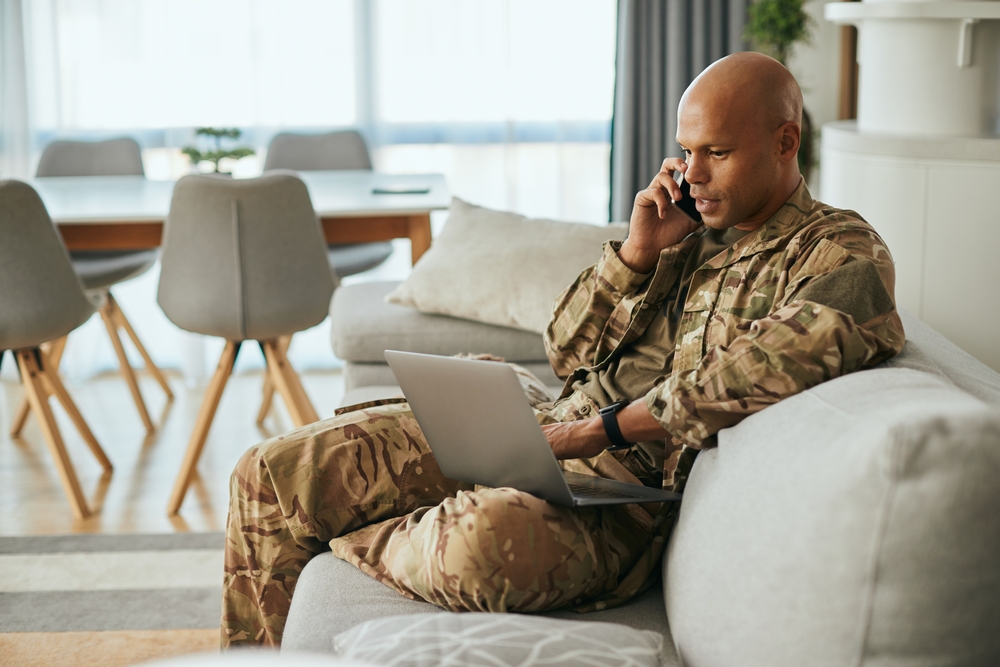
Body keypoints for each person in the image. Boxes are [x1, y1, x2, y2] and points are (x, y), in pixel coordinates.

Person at [221, 52, 905, 647]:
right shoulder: (683, 231)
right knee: (267, 473)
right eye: (685, 150)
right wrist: (636, 255)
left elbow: (758, 366)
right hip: (540, 418)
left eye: (716, 153)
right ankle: (335, 522)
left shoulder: (839, 253)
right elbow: (563, 350)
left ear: (786, 141)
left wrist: (598, 430)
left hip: (624, 494)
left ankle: (339, 527)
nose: (691, 172)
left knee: (477, 548)